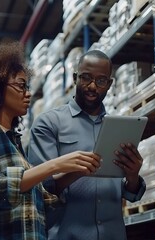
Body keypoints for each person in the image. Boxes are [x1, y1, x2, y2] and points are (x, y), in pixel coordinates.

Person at [0, 41, 101, 240]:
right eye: (20, 86)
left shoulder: (14, 143)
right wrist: (54, 165)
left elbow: (42, 203)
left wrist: (76, 171)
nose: (28, 94)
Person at [27, 49, 146, 240]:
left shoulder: (120, 129)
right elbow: (39, 188)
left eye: (100, 81)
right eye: (86, 78)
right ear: (75, 78)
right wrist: (78, 171)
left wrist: (133, 176)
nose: (92, 86)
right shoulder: (49, 123)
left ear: (109, 84)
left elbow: (131, 194)